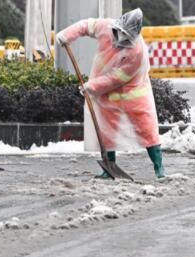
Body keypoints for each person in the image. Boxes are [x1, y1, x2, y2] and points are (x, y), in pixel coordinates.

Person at [56, 8, 165, 178]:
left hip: (133, 91)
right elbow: (86, 26)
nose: (120, 38)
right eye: (119, 32)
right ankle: (108, 168)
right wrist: (67, 35)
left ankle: (159, 168)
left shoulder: (137, 52)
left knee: (147, 128)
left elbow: (117, 78)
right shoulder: (105, 26)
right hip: (106, 92)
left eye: (126, 36)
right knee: (106, 129)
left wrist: (92, 86)